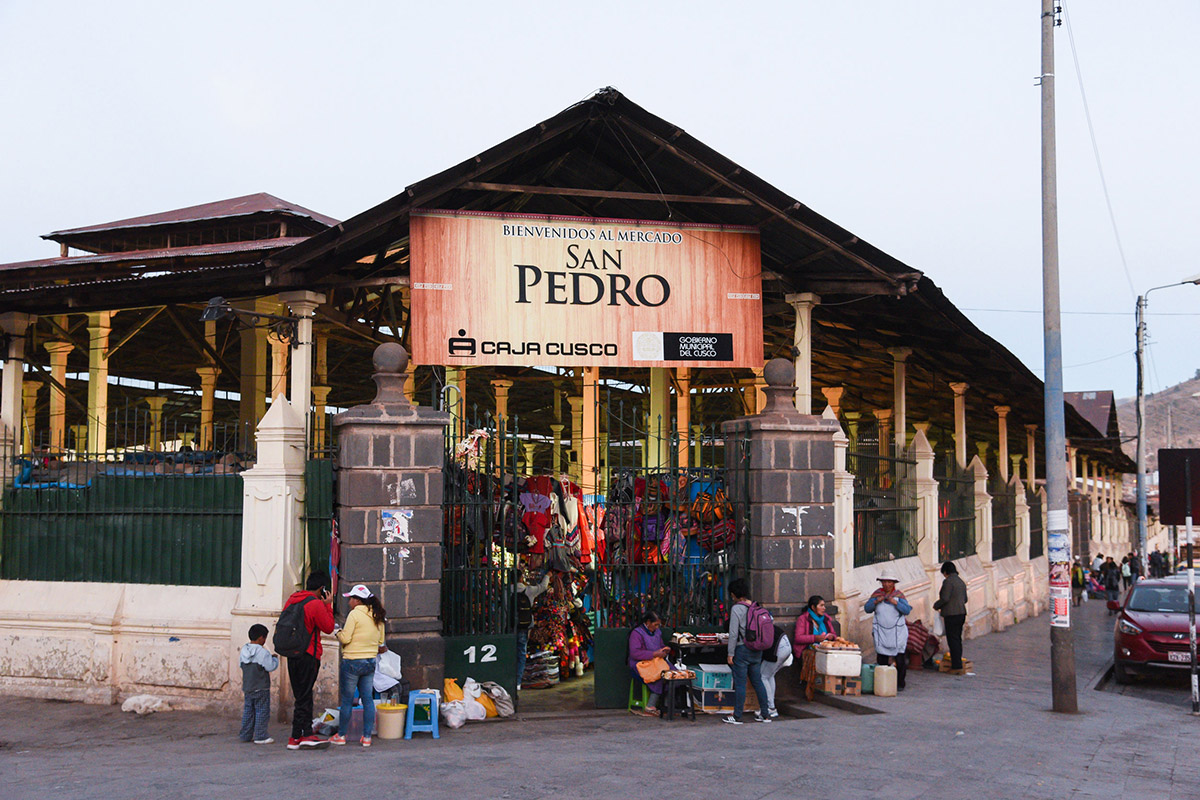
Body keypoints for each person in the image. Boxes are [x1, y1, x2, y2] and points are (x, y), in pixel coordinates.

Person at [283, 572, 336, 750]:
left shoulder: (292, 600)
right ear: (322, 588)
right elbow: (328, 627)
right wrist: (328, 606)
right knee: (304, 696)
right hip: (309, 654)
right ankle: (300, 735)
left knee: (302, 694)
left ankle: (301, 734)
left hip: (292, 653)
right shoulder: (315, 604)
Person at [331, 584, 386, 747]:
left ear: (357, 600)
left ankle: (341, 736)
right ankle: (367, 737)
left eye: (351, 599)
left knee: (347, 700)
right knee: (367, 699)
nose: (349, 603)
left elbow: (346, 638)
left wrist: (337, 632)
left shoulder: (354, 614)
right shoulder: (378, 615)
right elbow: (381, 641)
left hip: (352, 661)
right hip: (370, 661)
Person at [724, 578, 771, 724]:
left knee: (740, 683)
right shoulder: (756, 607)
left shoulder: (737, 608)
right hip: (757, 650)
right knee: (757, 681)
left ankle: (737, 716)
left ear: (734, 594)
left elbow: (733, 634)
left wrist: (730, 653)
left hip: (742, 649)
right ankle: (765, 713)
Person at [866, 572, 912, 690]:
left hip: (897, 633)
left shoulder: (899, 596)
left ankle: (900, 683)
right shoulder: (876, 595)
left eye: (889, 582)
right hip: (881, 632)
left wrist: (895, 603)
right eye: (884, 582)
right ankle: (883, 682)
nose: (887, 584)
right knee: (882, 658)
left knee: (900, 658)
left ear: (894, 583)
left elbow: (906, 610)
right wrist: (876, 601)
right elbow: (867, 609)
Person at [238, 623, 279, 745]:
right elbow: (270, 666)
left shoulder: (244, 650)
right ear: (261, 638)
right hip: (261, 687)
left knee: (248, 711)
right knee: (262, 711)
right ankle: (260, 736)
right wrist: (275, 659)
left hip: (248, 686)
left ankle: (245, 735)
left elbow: (241, 665)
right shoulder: (262, 652)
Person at [793, 595, 838, 701]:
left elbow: (834, 635)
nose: (824, 608)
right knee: (813, 656)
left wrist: (831, 637)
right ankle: (811, 687)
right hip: (806, 649)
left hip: (823, 647)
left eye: (824, 605)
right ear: (813, 607)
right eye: (821, 605)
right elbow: (798, 638)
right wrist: (815, 638)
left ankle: (829, 686)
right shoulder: (803, 619)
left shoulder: (826, 619)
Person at [627, 610, 670, 717]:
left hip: (656, 662)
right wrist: (654, 653)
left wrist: (664, 650)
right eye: (655, 625)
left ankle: (666, 706)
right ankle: (650, 706)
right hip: (640, 664)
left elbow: (660, 644)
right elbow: (635, 653)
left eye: (658, 625)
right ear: (648, 622)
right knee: (659, 675)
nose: (657, 627)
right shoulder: (636, 633)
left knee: (672, 673)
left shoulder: (657, 632)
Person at [515, 570, 551, 690]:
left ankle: (509, 679)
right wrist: (547, 576)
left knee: (510, 653)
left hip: (510, 626)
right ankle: (518, 682)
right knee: (521, 653)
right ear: (520, 578)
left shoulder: (505, 591)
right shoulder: (528, 590)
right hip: (524, 626)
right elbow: (543, 587)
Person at [933, 561, 968, 673]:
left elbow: (945, 598)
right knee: (957, 638)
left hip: (951, 614)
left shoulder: (948, 582)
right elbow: (965, 599)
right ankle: (957, 662)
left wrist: (936, 605)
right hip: (961, 613)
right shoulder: (961, 582)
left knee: (952, 640)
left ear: (946, 572)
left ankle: (956, 665)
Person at [760, 621, 793, 719]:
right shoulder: (766, 622)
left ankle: (770, 707)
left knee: (763, 676)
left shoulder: (756, 624)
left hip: (777, 649)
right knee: (770, 675)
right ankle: (771, 705)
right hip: (786, 646)